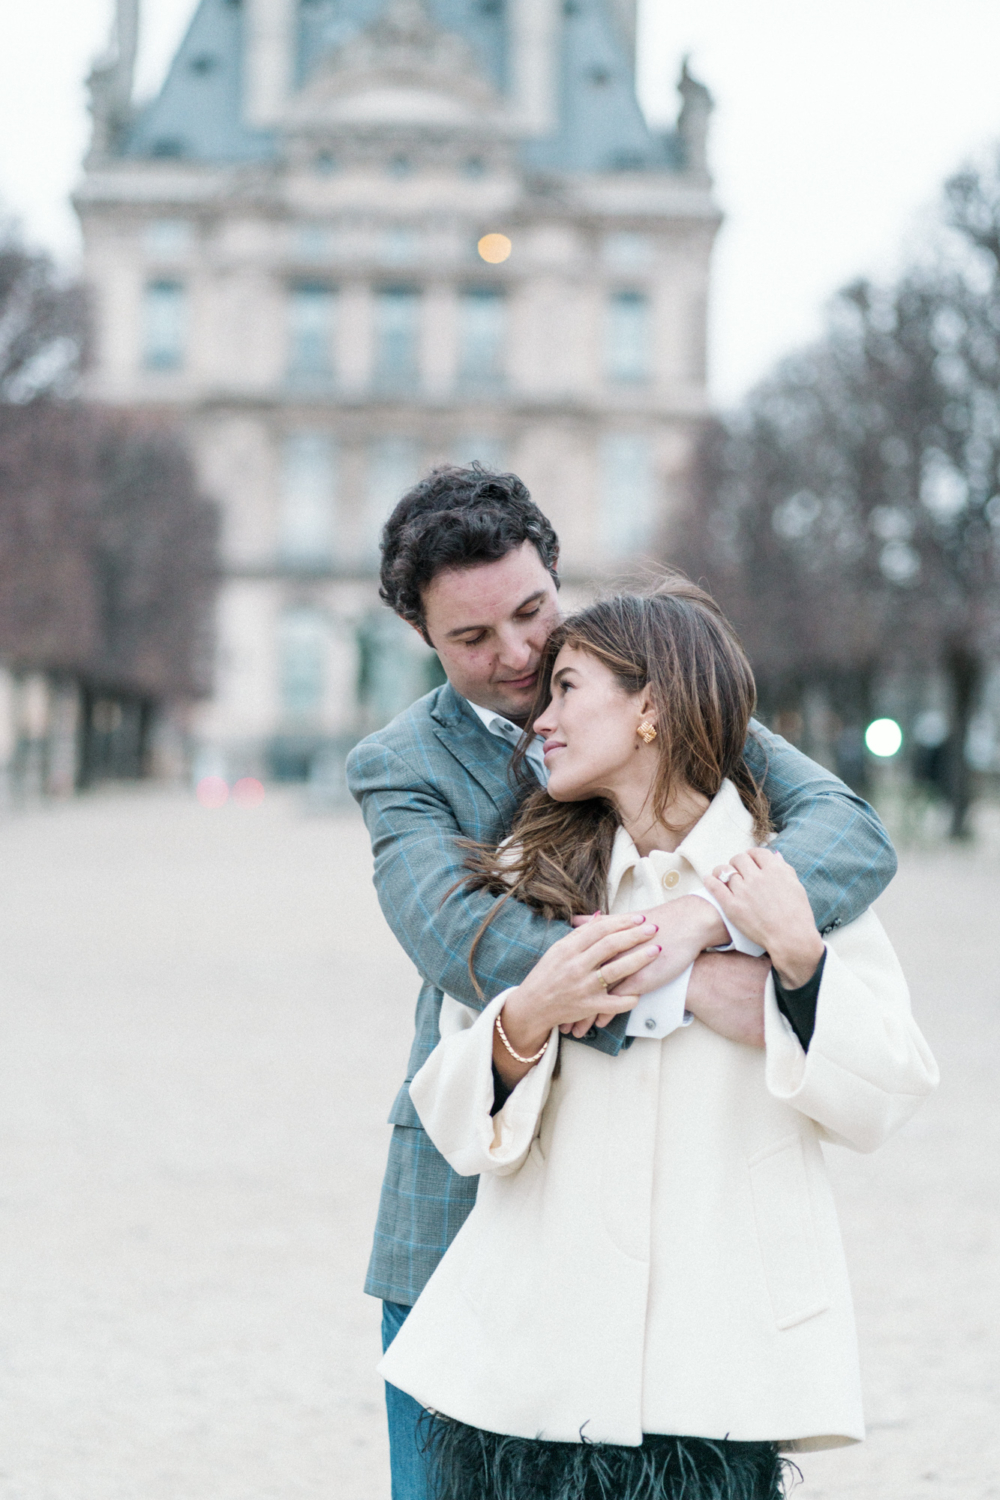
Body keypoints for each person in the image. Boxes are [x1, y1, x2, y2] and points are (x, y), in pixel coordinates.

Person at [346, 466, 899, 1500]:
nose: (515, 657)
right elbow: (461, 937)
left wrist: (715, 917)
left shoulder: (653, 684)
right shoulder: (399, 764)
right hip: (464, 1174)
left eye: (530, 615)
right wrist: (682, 987)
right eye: (472, 640)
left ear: (553, 576)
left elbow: (848, 834)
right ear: (422, 639)